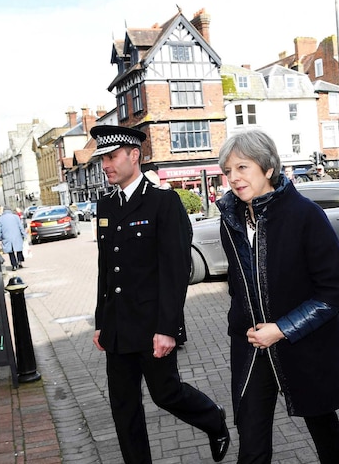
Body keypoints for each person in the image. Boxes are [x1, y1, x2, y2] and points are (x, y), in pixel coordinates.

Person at [90, 125, 229, 464]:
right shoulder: (106, 206)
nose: (105, 164)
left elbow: (175, 271)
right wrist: (100, 321)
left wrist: (168, 327)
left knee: (166, 394)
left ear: (133, 155)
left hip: (152, 324)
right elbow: (105, 269)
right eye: (102, 159)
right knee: (123, 407)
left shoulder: (163, 202)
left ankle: (214, 420)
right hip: (118, 326)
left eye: (111, 157)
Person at [217, 129, 339, 463]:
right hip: (251, 347)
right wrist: (243, 324)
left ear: (267, 168)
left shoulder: (305, 215)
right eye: (228, 171)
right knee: (251, 439)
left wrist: (280, 329)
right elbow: (239, 286)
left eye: (242, 168)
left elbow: (336, 290)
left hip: (301, 343)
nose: (233, 178)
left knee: (324, 431)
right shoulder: (230, 220)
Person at [0, 207, 26, 271]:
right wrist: (24, 235)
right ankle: (20, 262)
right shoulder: (16, 217)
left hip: (6, 237)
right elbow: (21, 227)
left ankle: (14, 265)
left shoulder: (0, 219)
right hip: (17, 236)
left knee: (11, 252)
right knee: (19, 249)